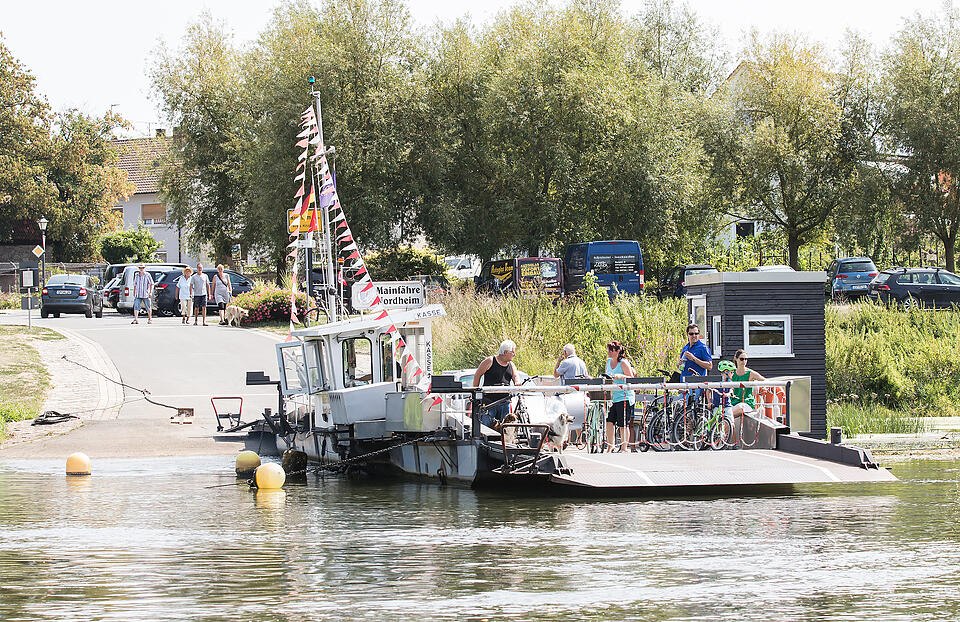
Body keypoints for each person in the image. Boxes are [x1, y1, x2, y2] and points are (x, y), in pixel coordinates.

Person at [473, 340, 521, 429]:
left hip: (504, 401)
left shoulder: (511, 365)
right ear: (506, 352)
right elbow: (477, 374)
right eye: (513, 352)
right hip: (489, 403)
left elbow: (515, 375)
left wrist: (517, 382)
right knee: (485, 428)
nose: (514, 354)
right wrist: (475, 392)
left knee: (505, 428)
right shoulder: (490, 361)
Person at [604, 340, 636, 452]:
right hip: (613, 396)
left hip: (625, 396)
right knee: (609, 421)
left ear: (617, 351)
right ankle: (610, 445)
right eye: (608, 350)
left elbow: (631, 378)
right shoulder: (608, 362)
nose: (608, 352)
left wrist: (621, 376)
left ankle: (624, 447)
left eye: (611, 350)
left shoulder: (623, 362)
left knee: (623, 423)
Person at [729, 349, 765, 441]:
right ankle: (730, 442)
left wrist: (757, 384)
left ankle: (729, 442)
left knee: (728, 415)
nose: (744, 361)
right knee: (727, 416)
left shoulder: (750, 373)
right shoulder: (731, 373)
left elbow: (764, 380)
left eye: (746, 359)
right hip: (733, 402)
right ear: (736, 359)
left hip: (746, 403)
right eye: (742, 359)